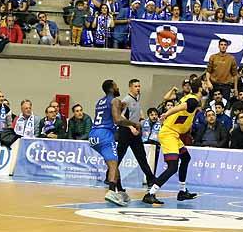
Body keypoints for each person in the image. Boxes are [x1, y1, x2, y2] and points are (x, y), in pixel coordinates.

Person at [144, 76, 206, 205]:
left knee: (186, 158)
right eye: (204, 84)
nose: (207, 86)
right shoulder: (192, 101)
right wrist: (166, 114)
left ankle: (182, 192)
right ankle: (150, 194)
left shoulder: (190, 97)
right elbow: (179, 107)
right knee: (172, 167)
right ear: (200, 88)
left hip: (174, 134)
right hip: (168, 134)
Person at [88, 79, 139, 206]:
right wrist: (133, 124)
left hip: (93, 134)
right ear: (111, 88)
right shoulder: (114, 100)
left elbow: (109, 114)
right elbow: (117, 120)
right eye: (116, 86)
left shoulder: (100, 101)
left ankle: (120, 191)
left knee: (113, 162)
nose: (118, 88)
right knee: (113, 163)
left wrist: (120, 107)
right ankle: (111, 191)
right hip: (104, 134)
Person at [117, 78, 157, 188]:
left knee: (141, 156)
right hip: (125, 130)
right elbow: (121, 115)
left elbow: (137, 112)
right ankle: (109, 177)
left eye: (139, 86)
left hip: (135, 131)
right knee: (120, 155)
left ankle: (150, 178)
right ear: (130, 87)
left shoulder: (137, 98)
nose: (138, 88)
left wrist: (140, 121)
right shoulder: (126, 100)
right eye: (136, 86)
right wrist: (130, 127)